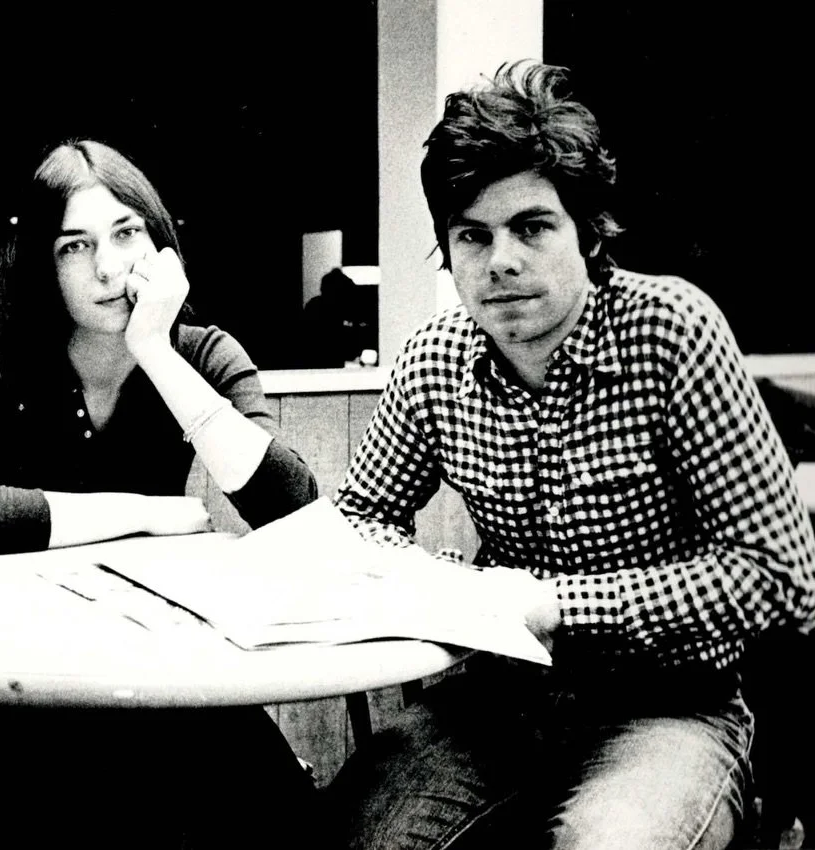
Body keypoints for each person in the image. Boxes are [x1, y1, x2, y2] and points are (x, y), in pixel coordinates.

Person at [321, 60, 815, 849]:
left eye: (531, 227)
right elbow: (359, 519)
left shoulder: (671, 331)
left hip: (675, 705)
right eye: (471, 236)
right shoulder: (433, 359)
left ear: (586, 233)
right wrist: (440, 577)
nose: (501, 261)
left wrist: (557, 605)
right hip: (497, 700)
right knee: (360, 835)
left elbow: (778, 575)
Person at [0, 139, 321, 846]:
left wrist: (157, 352)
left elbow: (291, 510)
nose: (108, 268)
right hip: (12, 674)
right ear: (43, 262)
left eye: (126, 234)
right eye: (74, 246)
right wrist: (147, 514)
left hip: (152, 668)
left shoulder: (202, 353)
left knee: (286, 813)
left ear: (161, 245)